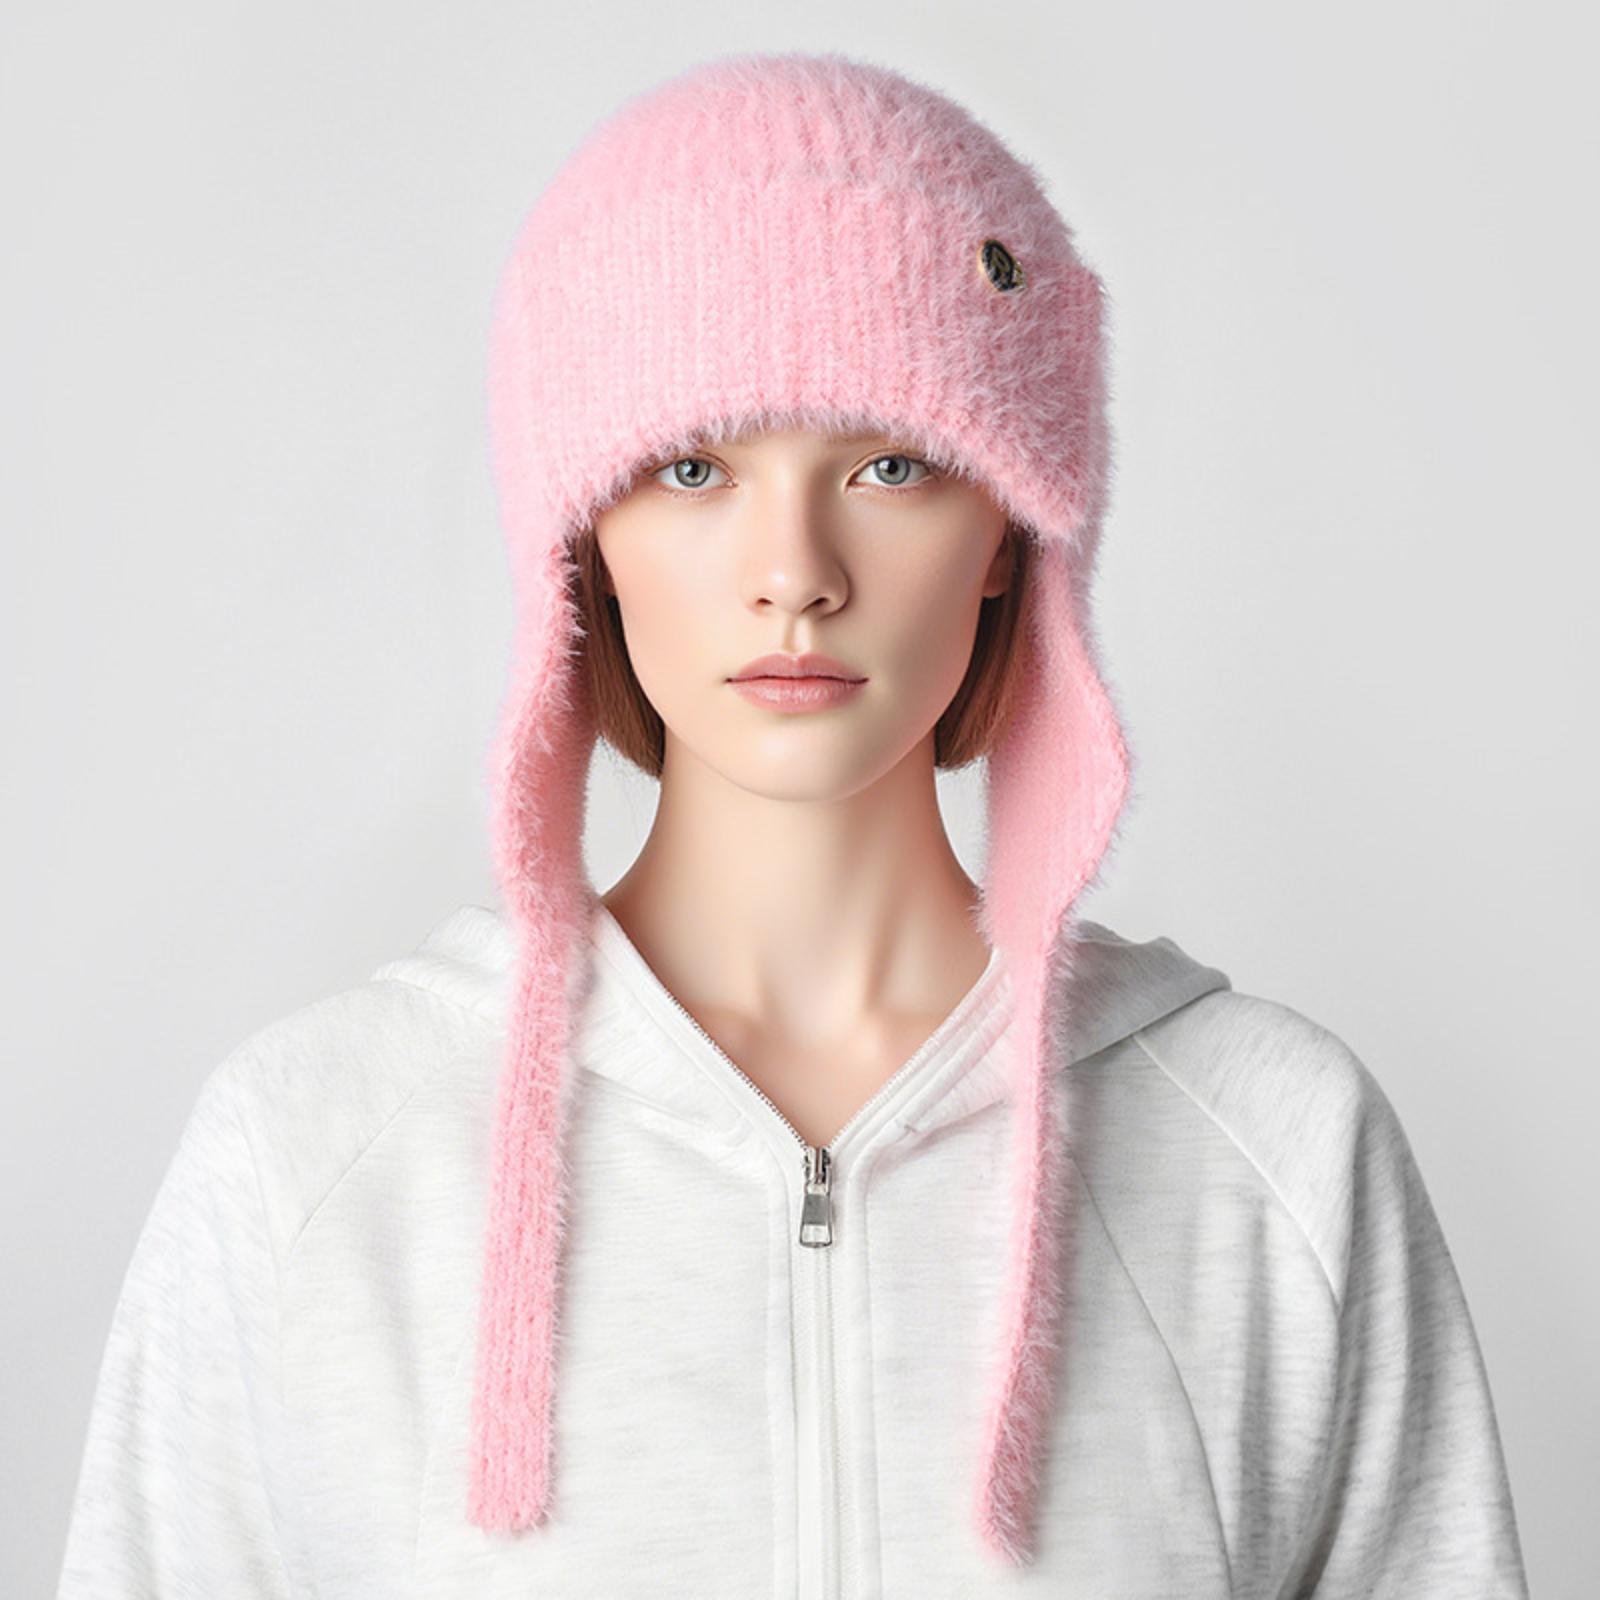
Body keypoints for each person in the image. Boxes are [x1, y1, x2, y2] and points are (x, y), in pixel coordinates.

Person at [56, 48, 1530, 1598]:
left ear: (1009, 534)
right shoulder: (312, 1155)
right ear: (583, 539)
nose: (795, 575)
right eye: (694, 467)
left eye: (891, 465)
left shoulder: (1271, 1152)